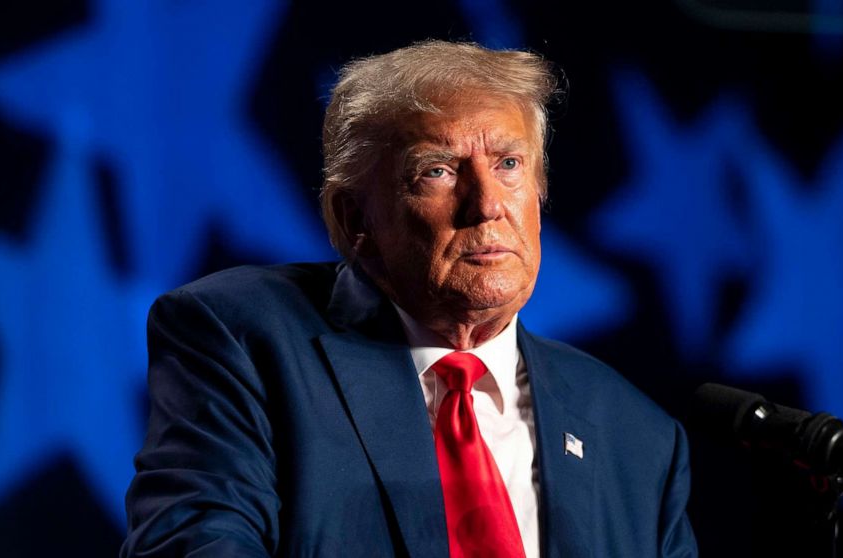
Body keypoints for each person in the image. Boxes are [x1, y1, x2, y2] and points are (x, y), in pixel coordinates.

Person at [121, 40, 697, 557]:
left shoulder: (636, 435)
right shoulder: (245, 340)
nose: (488, 205)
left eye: (509, 165)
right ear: (355, 219)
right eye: (439, 171)